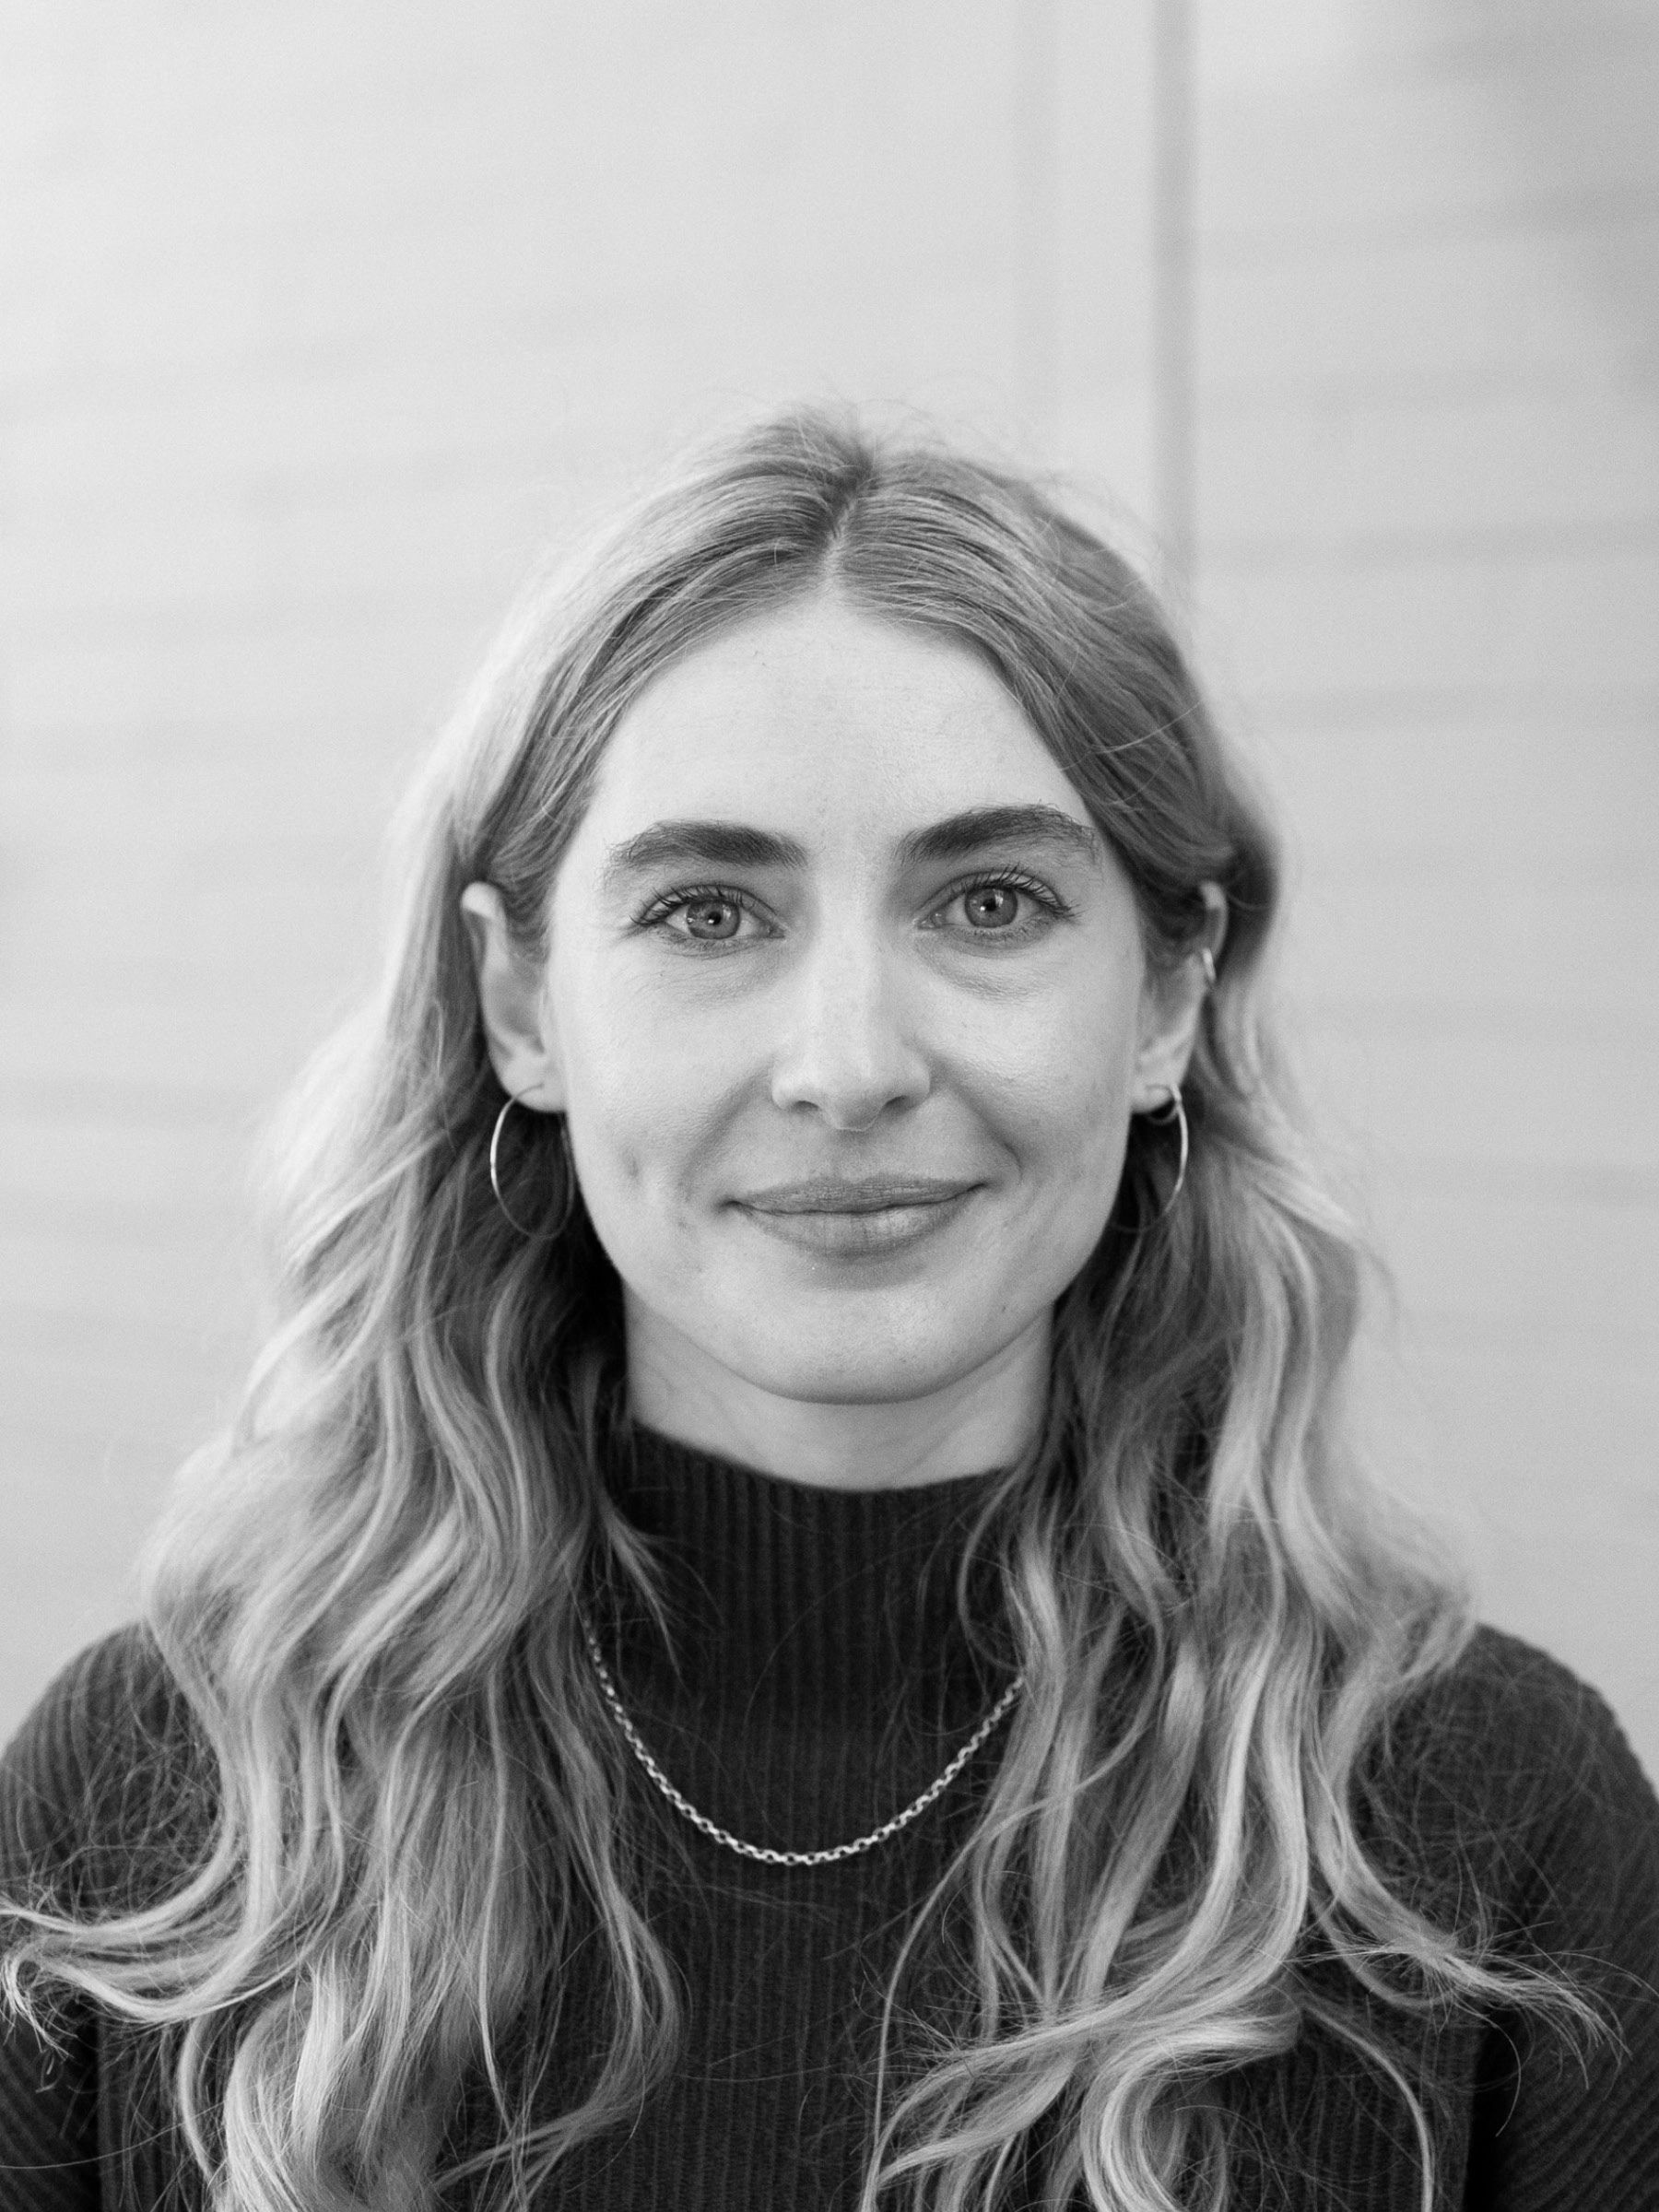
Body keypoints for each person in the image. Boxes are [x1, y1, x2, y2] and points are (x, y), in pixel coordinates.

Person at [2, 412, 1655, 2212]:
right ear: (523, 1001)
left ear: (1169, 990)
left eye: (992, 899)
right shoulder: (157, 1822)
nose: (851, 1065)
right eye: (711, 912)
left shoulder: (1488, 1839)